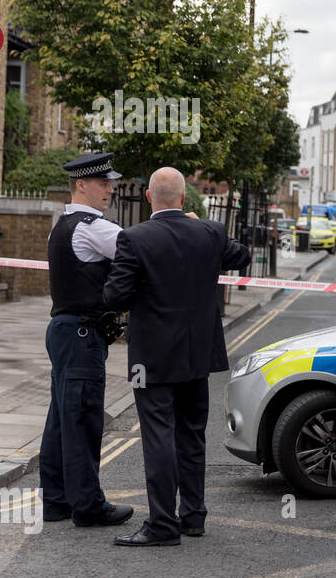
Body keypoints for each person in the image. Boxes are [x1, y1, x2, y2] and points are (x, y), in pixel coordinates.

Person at [104, 167, 250, 546]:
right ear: (184, 200)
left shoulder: (134, 239)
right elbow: (242, 256)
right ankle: (194, 517)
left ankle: (162, 525)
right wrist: (204, 228)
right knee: (191, 436)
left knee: (157, 438)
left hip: (149, 359)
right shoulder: (210, 233)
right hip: (197, 356)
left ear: (149, 198)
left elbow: (115, 297)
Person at [39, 153, 135, 529]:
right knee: (82, 419)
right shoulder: (93, 227)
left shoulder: (61, 225)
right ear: (82, 184)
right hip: (82, 334)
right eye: (103, 182)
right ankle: (89, 506)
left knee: (61, 420)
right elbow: (140, 251)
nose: (110, 188)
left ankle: (57, 501)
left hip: (64, 332)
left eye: (110, 182)